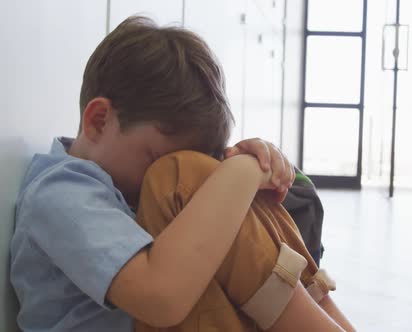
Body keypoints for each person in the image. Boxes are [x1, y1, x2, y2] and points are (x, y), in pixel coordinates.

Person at [10, 16, 354, 331]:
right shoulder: (58, 192)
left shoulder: (110, 185)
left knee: (218, 186)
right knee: (185, 176)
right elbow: (160, 298)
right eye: (153, 157)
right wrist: (245, 170)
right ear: (99, 120)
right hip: (163, 313)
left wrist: (242, 170)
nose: (155, 173)